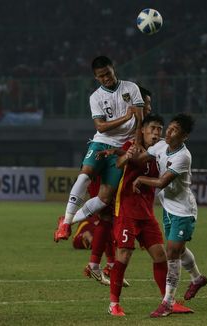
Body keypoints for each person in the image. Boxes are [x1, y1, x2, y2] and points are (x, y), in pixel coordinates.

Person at [96, 114, 193, 316]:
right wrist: (122, 154)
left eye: (160, 128)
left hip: (147, 213)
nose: (157, 132)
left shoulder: (161, 150)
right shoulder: (132, 145)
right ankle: (114, 304)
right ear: (143, 130)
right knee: (124, 254)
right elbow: (120, 163)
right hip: (126, 211)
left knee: (160, 256)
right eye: (153, 128)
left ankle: (168, 301)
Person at [53, 56, 145, 245]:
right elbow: (101, 127)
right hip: (101, 142)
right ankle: (66, 223)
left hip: (121, 148)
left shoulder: (131, 88)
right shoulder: (95, 97)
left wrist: (137, 138)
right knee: (85, 175)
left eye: (108, 73)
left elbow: (139, 117)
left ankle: (67, 221)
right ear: (96, 77)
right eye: (101, 76)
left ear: (114, 68)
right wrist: (125, 117)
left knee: (104, 199)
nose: (106, 78)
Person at [132, 113, 207, 318]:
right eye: (170, 127)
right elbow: (140, 158)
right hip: (168, 208)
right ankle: (197, 278)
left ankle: (168, 302)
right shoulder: (161, 146)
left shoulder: (183, 156)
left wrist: (140, 179)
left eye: (175, 130)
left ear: (184, 136)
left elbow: (161, 183)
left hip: (183, 211)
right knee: (179, 250)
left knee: (172, 252)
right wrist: (125, 151)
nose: (169, 131)